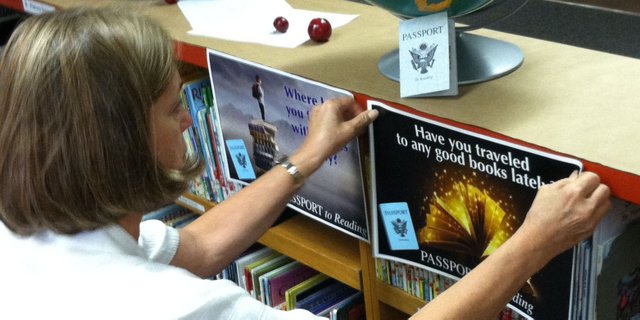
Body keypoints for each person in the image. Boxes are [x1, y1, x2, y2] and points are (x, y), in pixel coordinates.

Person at [0, 6, 610, 320]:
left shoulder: (35, 233)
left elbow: (200, 249)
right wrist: (534, 242)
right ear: (117, 142)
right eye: (168, 108)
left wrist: (307, 158)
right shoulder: (168, 309)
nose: (190, 116)